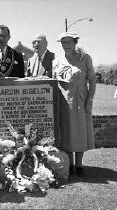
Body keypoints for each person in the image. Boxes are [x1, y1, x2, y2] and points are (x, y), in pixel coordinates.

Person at [53, 32, 96, 177]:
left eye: (69, 42)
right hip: (63, 101)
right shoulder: (57, 61)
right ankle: (69, 164)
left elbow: (92, 80)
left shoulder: (85, 58)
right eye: (63, 43)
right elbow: (54, 82)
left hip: (80, 100)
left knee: (79, 132)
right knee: (66, 133)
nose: (66, 45)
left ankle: (79, 165)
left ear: (75, 43)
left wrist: (89, 100)